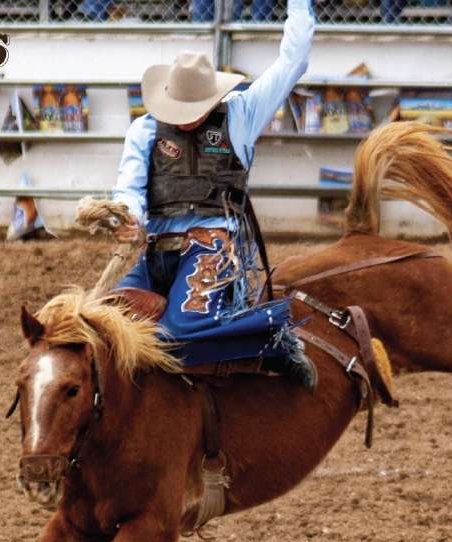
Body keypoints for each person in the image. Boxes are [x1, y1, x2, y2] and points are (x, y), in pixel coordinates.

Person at [108, 0, 317, 390]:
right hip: (157, 249)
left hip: (214, 245)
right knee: (104, 326)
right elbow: (129, 188)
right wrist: (126, 215)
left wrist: (298, 4)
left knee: (178, 333)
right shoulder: (144, 130)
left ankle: (273, 336)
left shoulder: (241, 114)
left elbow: (293, 61)